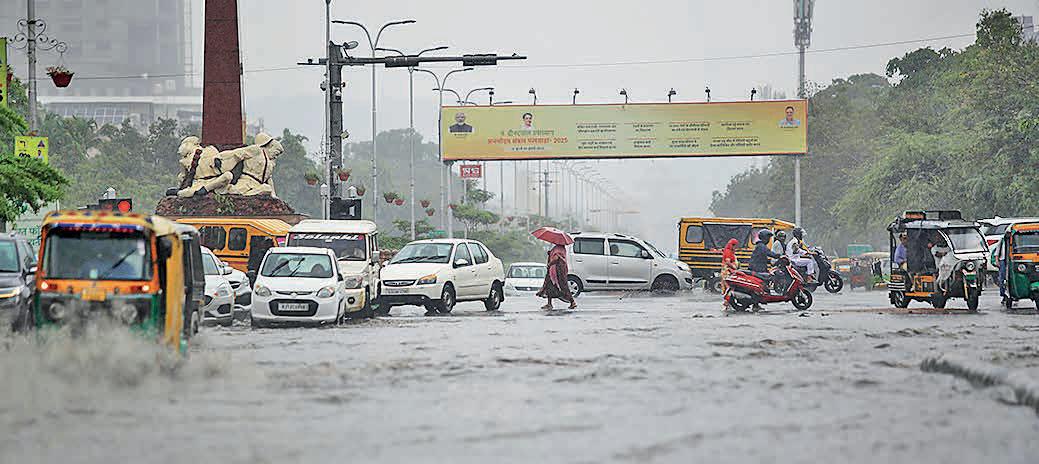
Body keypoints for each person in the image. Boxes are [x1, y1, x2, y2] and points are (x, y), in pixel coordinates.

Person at [537, 244, 576, 310]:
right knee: (550, 286)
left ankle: (572, 302)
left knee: (562, 286)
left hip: (557, 271)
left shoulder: (558, 249)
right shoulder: (561, 248)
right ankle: (549, 304)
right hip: (556, 270)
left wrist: (550, 264)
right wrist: (550, 253)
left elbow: (556, 258)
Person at [720, 238, 739, 308]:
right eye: (735, 246)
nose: (736, 248)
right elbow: (728, 262)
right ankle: (726, 303)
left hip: (728, 271)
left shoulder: (729, 251)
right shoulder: (728, 252)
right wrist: (734, 267)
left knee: (728, 288)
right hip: (727, 272)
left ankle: (728, 302)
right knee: (729, 288)